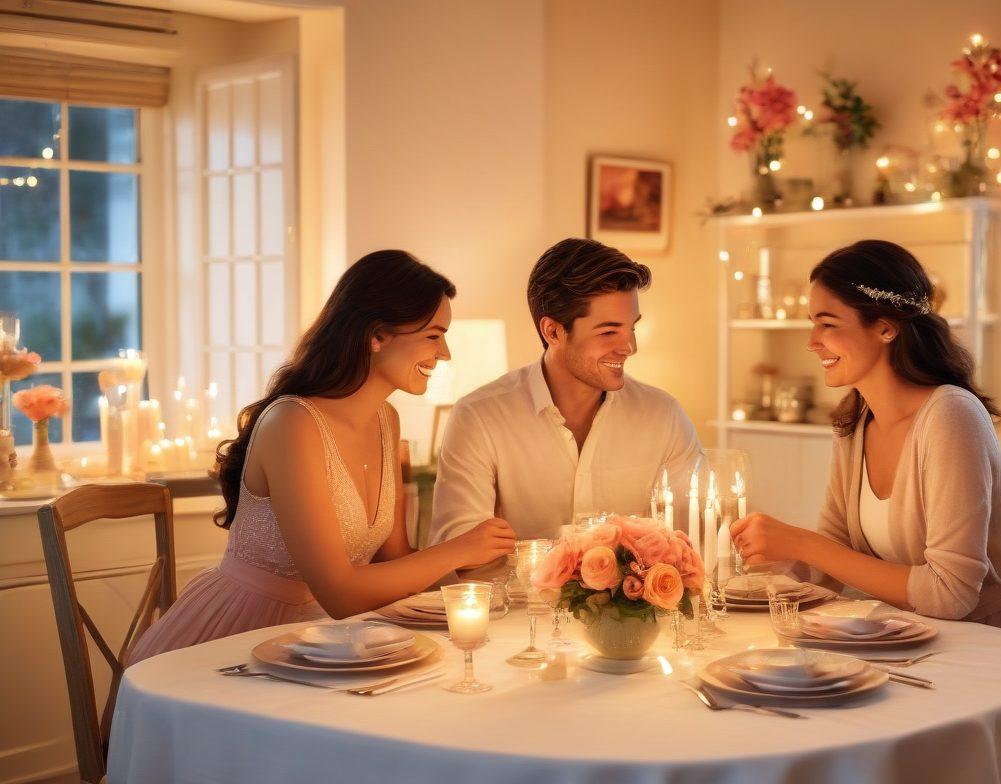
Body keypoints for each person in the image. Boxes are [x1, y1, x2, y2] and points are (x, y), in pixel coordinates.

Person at [730, 239, 1001, 784]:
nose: (811, 341)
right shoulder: (858, 419)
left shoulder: (951, 416)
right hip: (920, 651)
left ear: (886, 327)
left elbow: (950, 595)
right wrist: (761, 570)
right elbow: (834, 555)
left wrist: (802, 544)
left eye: (827, 323)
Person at [128, 251, 515, 664]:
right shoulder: (292, 424)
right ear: (376, 335)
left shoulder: (388, 421)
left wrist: (475, 569)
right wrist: (458, 550)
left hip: (332, 640)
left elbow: (395, 561)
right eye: (434, 335)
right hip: (241, 639)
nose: (445, 354)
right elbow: (341, 594)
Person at [429, 237, 700, 546]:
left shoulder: (663, 416)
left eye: (631, 328)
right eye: (609, 331)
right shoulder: (479, 418)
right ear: (553, 331)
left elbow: (694, 540)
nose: (629, 348)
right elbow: (456, 555)